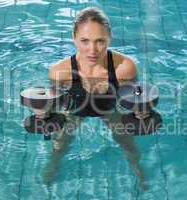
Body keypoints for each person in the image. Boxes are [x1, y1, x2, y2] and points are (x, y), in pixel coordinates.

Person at [42, 7, 147, 190]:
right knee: (59, 147)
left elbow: (135, 99)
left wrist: (140, 114)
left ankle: (140, 176)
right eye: (84, 41)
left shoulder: (125, 68)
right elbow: (53, 104)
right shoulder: (60, 72)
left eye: (100, 41)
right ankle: (49, 176)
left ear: (110, 38)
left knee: (128, 144)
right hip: (74, 108)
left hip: (109, 107)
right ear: (74, 38)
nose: (92, 50)